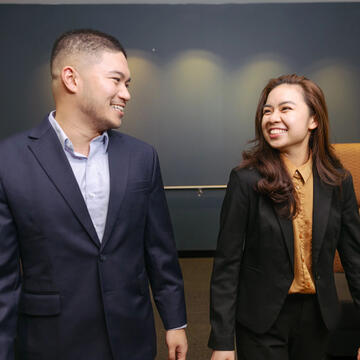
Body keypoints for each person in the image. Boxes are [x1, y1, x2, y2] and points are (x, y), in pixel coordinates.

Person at [0, 29, 187, 360]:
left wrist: (175, 322)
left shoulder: (142, 157)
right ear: (72, 79)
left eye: (128, 84)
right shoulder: (9, 161)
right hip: (51, 342)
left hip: (132, 338)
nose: (126, 94)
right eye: (116, 80)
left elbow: (160, 251)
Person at [208, 74, 360, 360]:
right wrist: (223, 340)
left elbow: (355, 260)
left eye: (285, 109)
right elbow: (227, 264)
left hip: (319, 318)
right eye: (267, 110)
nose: (272, 117)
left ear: (313, 119)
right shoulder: (245, 180)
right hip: (261, 319)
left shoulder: (339, 181)